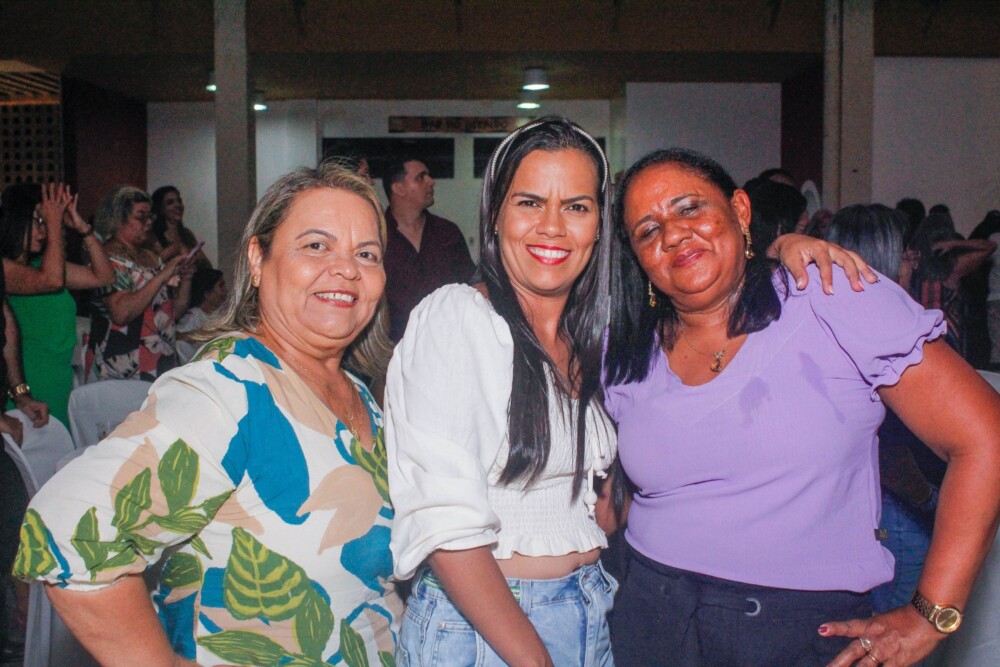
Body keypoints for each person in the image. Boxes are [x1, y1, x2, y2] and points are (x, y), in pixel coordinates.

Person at [385, 117, 872, 667]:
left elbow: (606, 502)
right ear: (495, 216)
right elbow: (445, 524)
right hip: (485, 633)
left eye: (576, 206)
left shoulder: (597, 339)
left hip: (592, 607)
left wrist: (779, 248)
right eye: (529, 203)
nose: (552, 226)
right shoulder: (458, 318)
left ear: (600, 227)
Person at [603, 147, 1000, 666]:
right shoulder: (627, 347)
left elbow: (984, 437)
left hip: (795, 635)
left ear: (739, 210)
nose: (673, 234)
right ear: (637, 257)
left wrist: (931, 614)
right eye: (648, 231)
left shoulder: (829, 292)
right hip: (650, 617)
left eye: (690, 208)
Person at [13, 163, 400, 666]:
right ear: (257, 259)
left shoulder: (354, 390)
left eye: (366, 253)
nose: (346, 268)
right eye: (316, 245)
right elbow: (68, 530)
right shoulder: (228, 391)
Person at [826, 204, 946, 615]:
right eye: (907, 254)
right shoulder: (886, 332)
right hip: (897, 510)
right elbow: (887, 446)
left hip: (863, 509)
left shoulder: (827, 320)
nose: (913, 263)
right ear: (884, 255)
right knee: (895, 626)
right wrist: (929, 499)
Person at [0, 182, 114, 424]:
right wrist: (53, 224)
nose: (43, 231)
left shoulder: (42, 265)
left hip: (58, 377)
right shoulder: (5, 269)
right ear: (16, 220)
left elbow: (104, 276)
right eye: (38, 221)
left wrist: (82, 228)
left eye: (46, 222)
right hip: (26, 379)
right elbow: (51, 281)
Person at [87, 185, 194, 381]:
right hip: (123, 360)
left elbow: (173, 313)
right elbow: (121, 313)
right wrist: (161, 276)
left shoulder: (150, 257)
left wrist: (186, 278)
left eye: (149, 216)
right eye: (140, 217)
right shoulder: (108, 257)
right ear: (118, 219)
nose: (148, 223)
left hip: (160, 358)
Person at [382, 156, 475, 340]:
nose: (431, 182)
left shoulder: (447, 233)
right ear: (398, 188)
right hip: (392, 347)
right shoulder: (377, 237)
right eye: (421, 177)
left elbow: (471, 283)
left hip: (448, 342)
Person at [907, 210, 995, 357]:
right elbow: (989, 246)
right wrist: (954, 243)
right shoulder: (953, 267)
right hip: (946, 335)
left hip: (919, 334)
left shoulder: (912, 264)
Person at [149, 186, 211, 267]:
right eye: (170, 202)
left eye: (179, 201)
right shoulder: (153, 235)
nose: (177, 205)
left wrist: (197, 258)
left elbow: (207, 264)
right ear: (160, 208)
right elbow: (155, 263)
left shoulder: (187, 234)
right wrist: (175, 249)